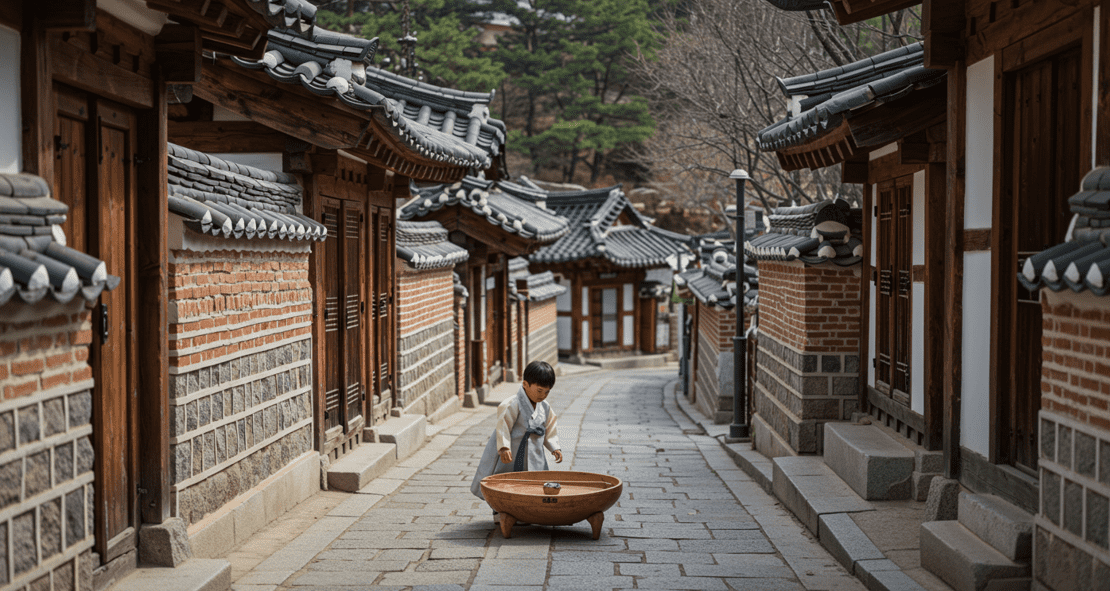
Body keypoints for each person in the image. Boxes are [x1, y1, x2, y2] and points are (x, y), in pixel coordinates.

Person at [470, 361, 563, 505]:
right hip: (512, 452)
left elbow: (550, 428)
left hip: (534, 452)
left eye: (547, 392)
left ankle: (525, 509)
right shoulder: (513, 403)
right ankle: (500, 510)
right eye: (539, 391)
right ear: (525, 384)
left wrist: (554, 447)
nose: (543, 395)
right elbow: (503, 426)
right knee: (505, 480)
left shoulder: (545, 407)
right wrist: (504, 447)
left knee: (532, 481)